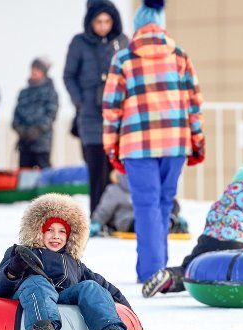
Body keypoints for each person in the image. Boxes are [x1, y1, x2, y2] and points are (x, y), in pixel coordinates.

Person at [102, 0, 205, 282]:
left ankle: (150, 271)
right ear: (161, 23)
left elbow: (112, 108)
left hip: (137, 143)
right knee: (163, 202)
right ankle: (158, 269)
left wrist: (111, 146)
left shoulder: (123, 58)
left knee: (145, 205)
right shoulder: (179, 56)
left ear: (137, 25)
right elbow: (194, 103)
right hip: (175, 142)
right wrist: (197, 141)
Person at [0, 193, 144, 330]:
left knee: (91, 286)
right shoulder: (21, 253)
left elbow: (108, 289)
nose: (56, 236)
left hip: (64, 298)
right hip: (33, 297)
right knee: (38, 282)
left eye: (62, 231)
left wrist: (134, 322)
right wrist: (14, 269)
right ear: (38, 230)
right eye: (49, 230)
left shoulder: (75, 263)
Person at [141, 166, 243, 298]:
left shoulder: (220, 202)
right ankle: (228, 284)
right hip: (235, 245)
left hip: (207, 240)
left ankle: (170, 277)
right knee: (231, 271)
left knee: (190, 269)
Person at [64, 0, 129, 215]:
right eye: (98, 21)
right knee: (96, 169)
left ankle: (116, 216)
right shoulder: (79, 42)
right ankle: (96, 218)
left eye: (107, 21)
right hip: (90, 117)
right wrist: (80, 101)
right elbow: (69, 75)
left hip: (117, 117)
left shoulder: (122, 42)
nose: (102, 26)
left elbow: (130, 74)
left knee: (118, 170)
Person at [89, 170, 187, 236]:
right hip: (129, 221)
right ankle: (167, 223)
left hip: (147, 215)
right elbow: (105, 210)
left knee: (167, 205)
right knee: (144, 222)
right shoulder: (115, 190)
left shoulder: (147, 188)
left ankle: (168, 221)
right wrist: (96, 223)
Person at [12, 58, 59, 169]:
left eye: (37, 69)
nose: (34, 72)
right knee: (24, 176)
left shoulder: (50, 92)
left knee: (45, 175)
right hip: (24, 144)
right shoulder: (23, 93)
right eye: (33, 69)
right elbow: (16, 116)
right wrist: (22, 131)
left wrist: (37, 130)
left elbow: (51, 114)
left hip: (42, 143)